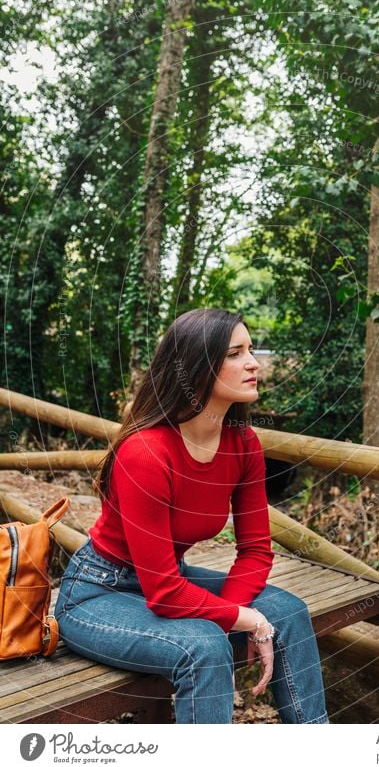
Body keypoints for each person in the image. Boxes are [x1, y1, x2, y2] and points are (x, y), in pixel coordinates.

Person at [54, 307, 329, 724]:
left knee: (287, 611)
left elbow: (255, 551)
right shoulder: (146, 452)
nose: (253, 363)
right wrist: (244, 619)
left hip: (167, 579)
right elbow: (164, 593)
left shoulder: (243, 444)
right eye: (235, 354)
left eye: (250, 350)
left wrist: (237, 614)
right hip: (99, 592)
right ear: (196, 368)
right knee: (203, 646)